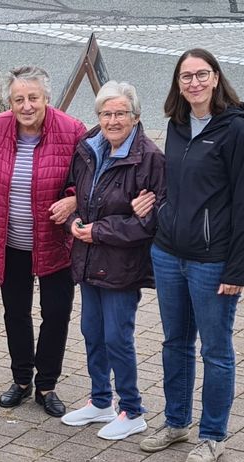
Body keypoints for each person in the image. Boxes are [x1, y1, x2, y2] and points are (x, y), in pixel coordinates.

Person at [134, 49, 244, 462]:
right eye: (186, 76)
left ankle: (213, 436)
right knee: (175, 343)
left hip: (212, 261)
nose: (194, 83)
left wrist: (237, 268)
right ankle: (177, 423)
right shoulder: (177, 125)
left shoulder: (235, 129)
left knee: (215, 351)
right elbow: (173, 184)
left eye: (201, 74)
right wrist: (157, 207)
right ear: (178, 84)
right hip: (168, 253)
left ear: (216, 78)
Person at [0, 66, 85, 418]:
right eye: (18, 99)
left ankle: (46, 385)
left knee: (56, 314)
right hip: (11, 242)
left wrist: (74, 199)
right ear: (9, 102)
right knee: (16, 313)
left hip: (55, 242)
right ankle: (21, 380)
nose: (26, 106)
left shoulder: (72, 130)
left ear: (46, 99)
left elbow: (88, 180)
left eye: (33, 98)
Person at [58, 81, 164, 441]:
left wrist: (99, 230)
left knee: (117, 337)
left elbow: (151, 222)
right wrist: (75, 221)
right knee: (92, 332)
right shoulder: (89, 145)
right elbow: (77, 195)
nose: (113, 120)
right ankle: (101, 400)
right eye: (106, 113)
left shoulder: (149, 158)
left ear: (135, 117)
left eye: (121, 113)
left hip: (122, 265)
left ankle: (132, 411)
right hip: (89, 258)